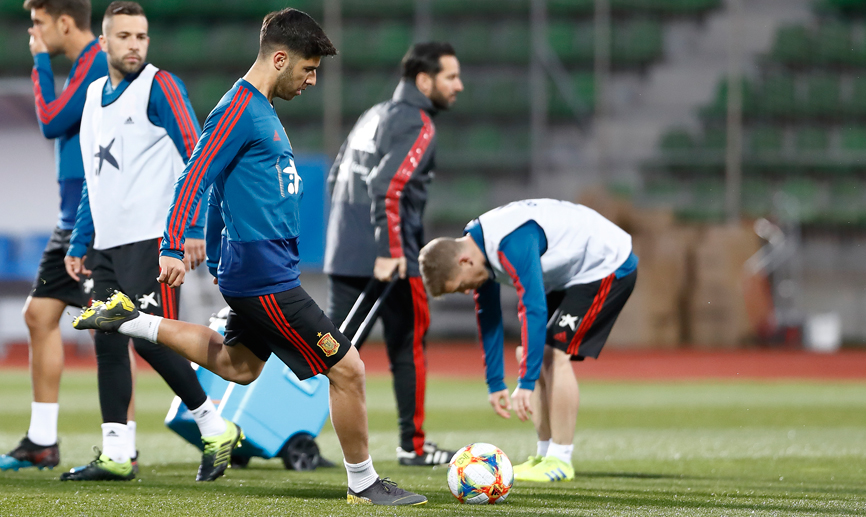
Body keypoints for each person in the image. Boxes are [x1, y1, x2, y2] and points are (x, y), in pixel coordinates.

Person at [72, 8, 426, 506]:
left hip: (259, 271)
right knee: (348, 370)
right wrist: (177, 242)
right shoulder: (239, 107)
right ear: (279, 58)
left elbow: (225, 192)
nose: (311, 80)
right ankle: (364, 483)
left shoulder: (260, 108)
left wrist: (216, 252)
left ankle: (131, 320)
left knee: (239, 366)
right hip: (265, 279)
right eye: (307, 69)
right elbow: (196, 174)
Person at [61, 1, 240, 482]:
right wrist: (80, 241)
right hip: (106, 243)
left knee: (151, 341)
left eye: (140, 36)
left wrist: (192, 230)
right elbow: (92, 179)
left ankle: (215, 427)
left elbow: (199, 153)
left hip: (151, 239)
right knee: (107, 340)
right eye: (124, 36)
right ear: (104, 42)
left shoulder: (160, 86)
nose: (134, 45)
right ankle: (118, 453)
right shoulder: (94, 95)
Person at [418, 199, 639, 482]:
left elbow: (533, 308)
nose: (464, 291)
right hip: (569, 273)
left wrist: (525, 383)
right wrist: (495, 381)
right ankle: (544, 454)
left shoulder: (510, 243)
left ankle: (561, 460)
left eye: (460, 285)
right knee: (527, 354)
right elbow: (489, 317)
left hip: (607, 264)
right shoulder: (476, 248)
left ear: (464, 261)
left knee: (554, 354)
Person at [323, 42, 463, 466]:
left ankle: (287, 438)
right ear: (424, 80)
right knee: (408, 346)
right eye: (450, 77)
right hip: (391, 259)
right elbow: (388, 187)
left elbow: (335, 178)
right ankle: (414, 447)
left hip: (344, 250)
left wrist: (350, 238)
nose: (459, 85)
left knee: (326, 352)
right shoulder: (417, 123)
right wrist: (389, 250)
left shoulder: (375, 112)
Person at [0, 0, 109, 473]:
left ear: (64, 22)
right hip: (73, 218)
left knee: (119, 330)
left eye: (39, 23)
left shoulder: (97, 63)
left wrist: (40, 59)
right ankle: (43, 440)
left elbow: (50, 121)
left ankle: (203, 423)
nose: (35, 32)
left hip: (94, 221)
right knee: (40, 315)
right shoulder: (88, 64)